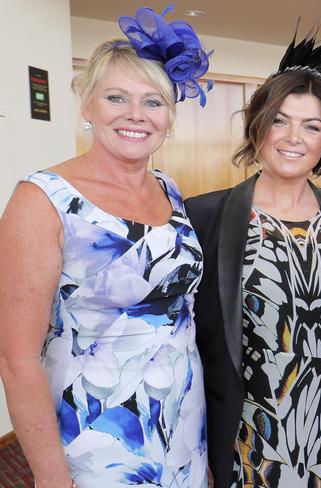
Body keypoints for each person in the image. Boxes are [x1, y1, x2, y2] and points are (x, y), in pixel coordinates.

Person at [0, 6, 213, 487]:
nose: (136, 115)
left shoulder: (169, 189)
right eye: (117, 97)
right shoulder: (41, 201)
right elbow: (16, 360)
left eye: (153, 102)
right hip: (98, 438)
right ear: (87, 106)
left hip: (182, 421)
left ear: (169, 115)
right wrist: (52, 477)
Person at [184, 31, 321, 488]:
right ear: (258, 128)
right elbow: (187, 339)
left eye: (311, 126)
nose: (293, 138)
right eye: (280, 121)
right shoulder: (205, 215)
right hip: (250, 437)